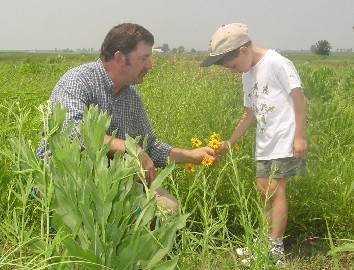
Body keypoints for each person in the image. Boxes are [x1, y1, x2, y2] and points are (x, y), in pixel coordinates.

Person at [36, 23, 216, 212]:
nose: (150, 65)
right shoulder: (78, 81)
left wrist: (190, 155)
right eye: (144, 58)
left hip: (109, 179)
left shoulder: (131, 96)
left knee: (168, 208)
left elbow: (150, 147)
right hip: (64, 176)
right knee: (100, 210)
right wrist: (129, 148)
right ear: (120, 58)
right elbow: (70, 132)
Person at [200, 23, 307, 265]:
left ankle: (275, 250)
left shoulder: (277, 63)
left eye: (233, 66)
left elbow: (300, 100)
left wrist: (299, 137)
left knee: (276, 191)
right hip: (265, 141)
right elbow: (249, 113)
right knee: (263, 192)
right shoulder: (248, 73)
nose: (234, 71)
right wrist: (230, 142)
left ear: (244, 50)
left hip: (285, 138)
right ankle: (263, 241)